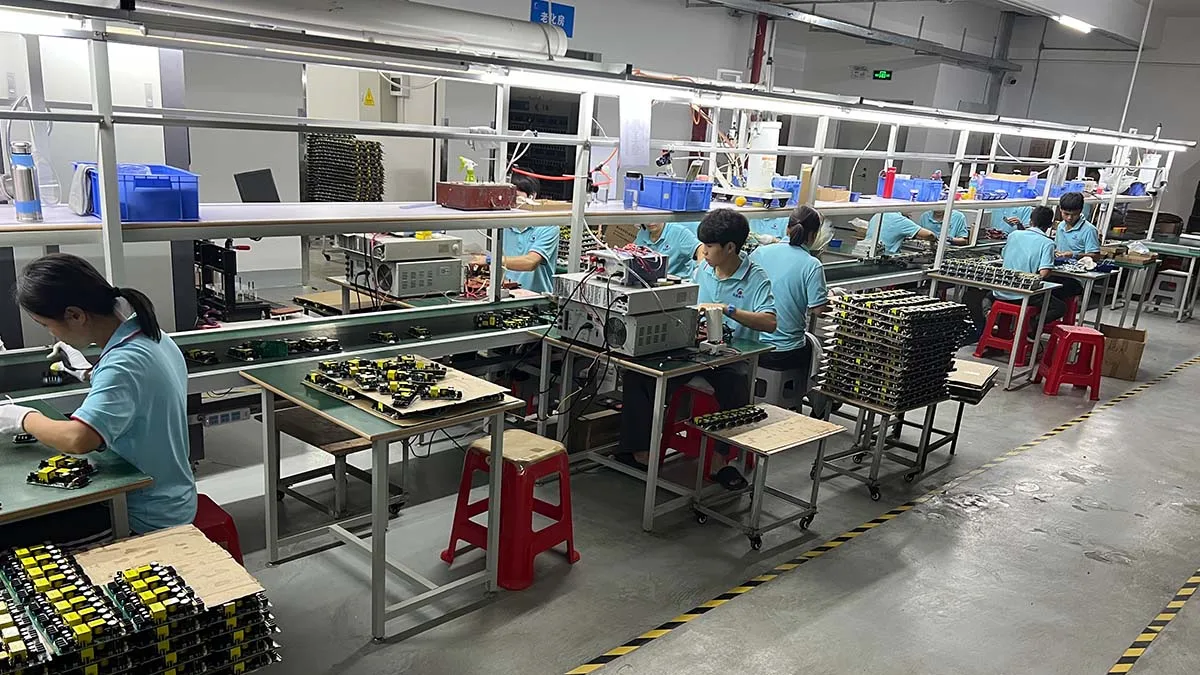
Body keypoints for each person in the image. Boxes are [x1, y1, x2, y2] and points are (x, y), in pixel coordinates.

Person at [0, 253, 196, 544]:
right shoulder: (149, 334)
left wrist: (22, 417)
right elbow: (137, 391)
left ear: (75, 315)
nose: (51, 334)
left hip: (141, 514)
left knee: (10, 536)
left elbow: (79, 439)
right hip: (171, 495)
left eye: (46, 325)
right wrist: (88, 371)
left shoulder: (123, 364)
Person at [616, 209, 776, 490]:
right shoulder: (703, 269)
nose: (704, 251)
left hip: (730, 357)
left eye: (710, 246)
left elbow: (770, 322)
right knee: (638, 375)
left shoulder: (756, 278)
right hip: (693, 351)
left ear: (730, 247)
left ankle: (721, 461)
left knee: (737, 384)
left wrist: (727, 310)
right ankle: (641, 452)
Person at [749, 205, 828, 384]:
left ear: (787, 228)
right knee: (816, 350)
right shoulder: (812, 264)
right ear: (813, 235)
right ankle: (806, 396)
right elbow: (819, 310)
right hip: (784, 352)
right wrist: (832, 297)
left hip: (752, 345)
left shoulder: (760, 253)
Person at [964, 206, 1066, 339]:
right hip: (1023, 295)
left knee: (988, 297)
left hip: (1002, 290)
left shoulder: (1013, 235)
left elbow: (1004, 256)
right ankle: (1032, 326)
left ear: (1030, 221)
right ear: (1050, 225)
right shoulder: (1047, 243)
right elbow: (1044, 273)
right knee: (1059, 307)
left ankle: (990, 313)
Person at [474, 175, 560, 294]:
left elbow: (531, 262)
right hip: (508, 293)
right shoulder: (503, 225)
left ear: (532, 196)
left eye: (516, 197)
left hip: (537, 297)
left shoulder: (548, 226)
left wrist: (489, 260)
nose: (512, 203)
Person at [633, 222, 702, 278]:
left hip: (677, 282)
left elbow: (701, 249)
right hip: (651, 281)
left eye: (655, 218)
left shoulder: (678, 232)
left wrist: (699, 272)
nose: (650, 222)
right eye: (647, 219)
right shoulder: (643, 233)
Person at [1054, 191, 1102, 261]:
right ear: (1060, 209)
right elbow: (1057, 248)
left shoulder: (1089, 230)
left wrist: (1074, 255)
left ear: (1081, 210)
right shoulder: (1060, 226)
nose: (1069, 218)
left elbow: (1096, 256)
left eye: (1074, 214)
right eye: (1066, 214)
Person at [865, 212, 937, 255]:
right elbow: (929, 234)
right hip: (884, 257)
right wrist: (935, 239)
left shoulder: (878, 214)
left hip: (866, 252)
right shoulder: (899, 219)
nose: (910, 212)